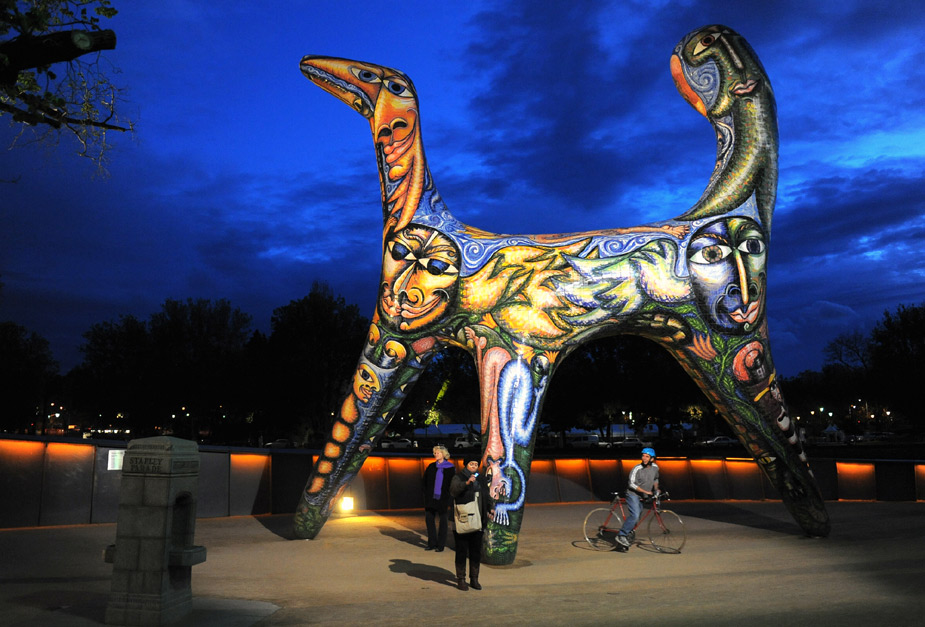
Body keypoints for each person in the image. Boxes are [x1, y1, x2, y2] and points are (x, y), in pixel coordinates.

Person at [449, 455, 489, 591]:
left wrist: (491, 508)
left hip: (479, 519)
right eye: (471, 464)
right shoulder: (458, 477)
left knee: (476, 551)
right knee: (461, 550)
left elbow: (486, 494)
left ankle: (474, 579)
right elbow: (453, 491)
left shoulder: (481, 479)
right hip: (462, 519)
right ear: (466, 465)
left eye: (476, 464)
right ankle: (461, 579)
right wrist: (466, 483)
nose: (474, 466)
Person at [616, 447, 659, 549]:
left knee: (637, 518)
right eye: (643, 456)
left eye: (647, 456)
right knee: (635, 516)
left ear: (652, 459)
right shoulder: (637, 469)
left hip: (643, 496)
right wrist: (645, 492)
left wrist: (656, 489)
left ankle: (627, 535)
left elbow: (656, 479)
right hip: (633, 494)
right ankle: (621, 535)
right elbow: (631, 484)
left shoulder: (655, 467)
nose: (644, 458)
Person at [422, 444, 455, 551]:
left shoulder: (450, 468)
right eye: (435, 453)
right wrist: (426, 493)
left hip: (443, 499)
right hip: (431, 498)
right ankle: (431, 543)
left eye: (438, 453)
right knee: (429, 519)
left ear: (444, 454)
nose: (436, 454)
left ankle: (440, 545)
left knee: (443, 522)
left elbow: (451, 484)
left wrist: (449, 498)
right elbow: (424, 481)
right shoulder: (431, 466)